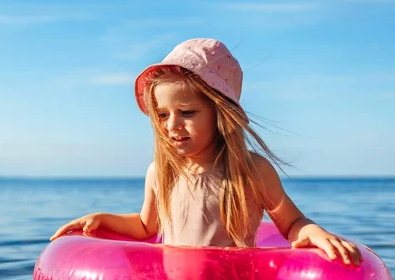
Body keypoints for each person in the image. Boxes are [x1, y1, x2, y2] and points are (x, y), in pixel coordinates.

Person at [50, 38, 361, 266]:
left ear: (220, 113)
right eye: (162, 115)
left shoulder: (250, 170)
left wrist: (316, 233)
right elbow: (147, 227)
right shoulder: (160, 172)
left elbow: (291, 223)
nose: (172, 125)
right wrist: (101, 219)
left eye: (186, 112)